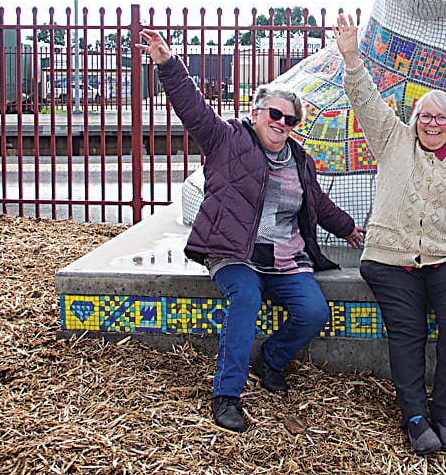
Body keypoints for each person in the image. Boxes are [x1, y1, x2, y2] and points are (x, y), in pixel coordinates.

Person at [137, 29, 364, 433]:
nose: (281, 123)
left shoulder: (299, 158)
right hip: (236, 254)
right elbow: (192, 109)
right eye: (274, 114)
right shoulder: (227, 140)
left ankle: (271, 360)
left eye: (289, 119)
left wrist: (347, 228)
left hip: (285, 259)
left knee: (313, 313)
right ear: (257, 113)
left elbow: (317, 203)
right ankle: (226, 396)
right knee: (244, 301)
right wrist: (169, 66)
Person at [336, 14, 446, 456]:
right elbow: (365, 99)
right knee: (406, 332)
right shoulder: (393, 140)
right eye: (424, 116)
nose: (431, 123)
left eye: (440, 117)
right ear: (415, 119)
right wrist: (352, 57)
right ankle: (414, 417)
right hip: (391, 258)